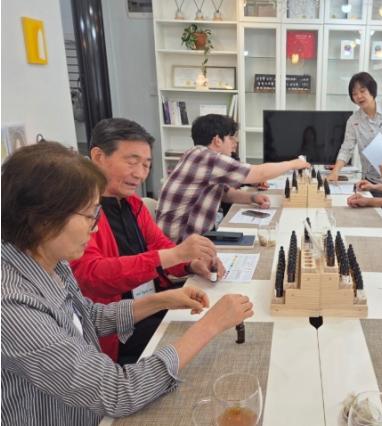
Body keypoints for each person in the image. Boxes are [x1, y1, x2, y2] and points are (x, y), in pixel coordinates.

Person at [1, 142, 254, 424]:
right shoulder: (11, 304)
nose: (95, 227)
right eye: (89, 215)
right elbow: (117, 392)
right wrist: (210, 325)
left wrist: (161, 300)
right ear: (43, 220)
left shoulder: (50, 258)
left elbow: (85, 317)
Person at [70, 118, 224, 364]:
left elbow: (161, 247)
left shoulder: (133, 204)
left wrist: (192, 264)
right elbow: (91, 276)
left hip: (153, 303)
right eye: (132, 162)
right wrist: (176, 255)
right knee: (208, 340)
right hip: (119, 328)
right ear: (98, 156)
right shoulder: (79, 213)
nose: (140, 174)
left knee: (215, 317)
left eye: (146, 165)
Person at [157, 114, 310, 242]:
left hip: (187, 240)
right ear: (217, 140)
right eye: (231, 137)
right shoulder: (208, 158)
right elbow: (259, 173)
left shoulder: (194, 154)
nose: (235, 142)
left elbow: (224, 193)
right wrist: (293, 164)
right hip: (181, 246)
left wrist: (252, 197)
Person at [327, 72, 382, 183]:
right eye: (354, 94)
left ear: (372, 90)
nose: (359, 96)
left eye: (362, 91)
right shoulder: (353, 121)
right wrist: (335, 171)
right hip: (370, 181)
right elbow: (346, 149)